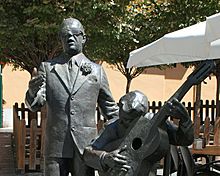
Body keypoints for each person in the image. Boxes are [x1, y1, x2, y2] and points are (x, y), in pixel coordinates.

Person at [25, 17, 119, 176]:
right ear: (60, 39)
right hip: (56, 145)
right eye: (65, 34)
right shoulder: (48, 69)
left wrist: (131, 126)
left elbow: (111, 111)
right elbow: (35, 104)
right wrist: (32, 93)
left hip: (86, 147)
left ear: (84, 38)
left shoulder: (97, 71)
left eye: (75, 34)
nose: (70, 37)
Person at [82, 90, 194, 176]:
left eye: (127, 120)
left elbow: (184, 140)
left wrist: (185, 120)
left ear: (142, 117)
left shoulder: (154, 123)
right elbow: (88, 153)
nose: (121, 121)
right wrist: (105, 157)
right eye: (121, 116)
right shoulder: (113, 126)